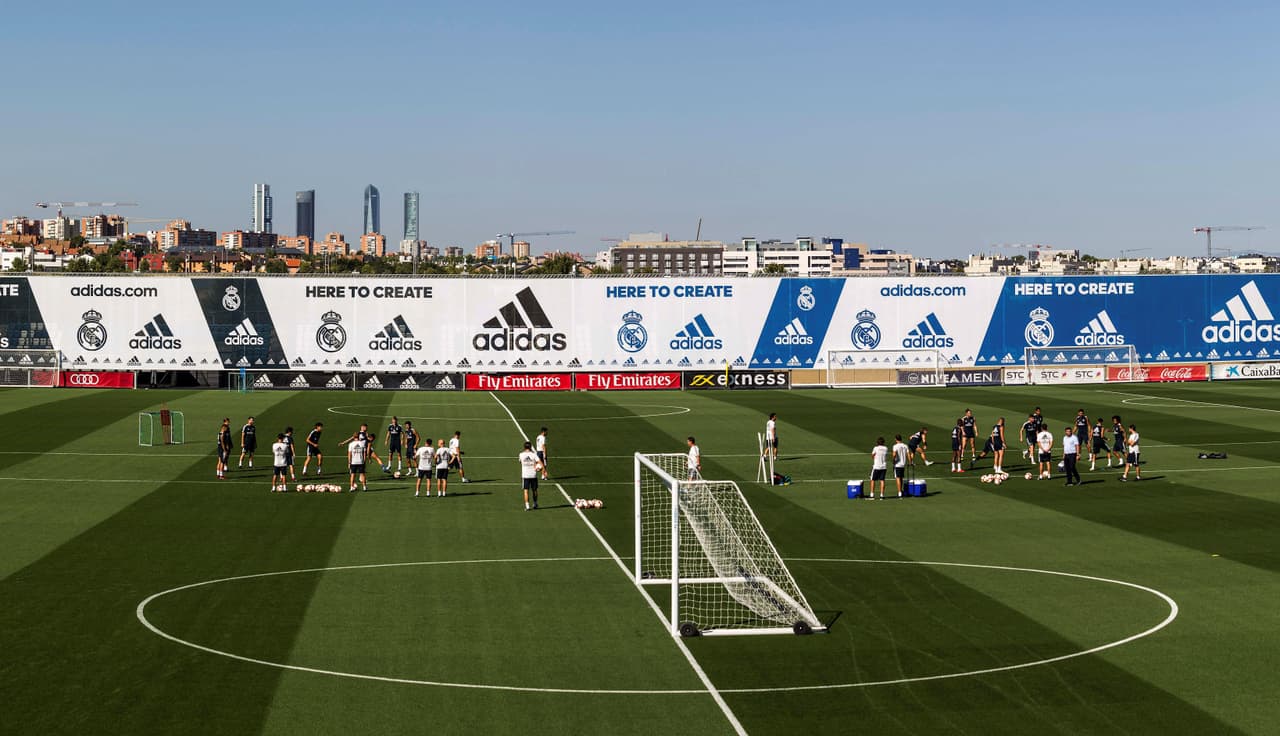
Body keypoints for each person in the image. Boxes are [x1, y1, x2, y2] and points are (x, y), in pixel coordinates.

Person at [519, 440, 541, 510]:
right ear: (531, 447)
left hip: (525, 475)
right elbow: (539, 462)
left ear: (524, 447)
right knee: (534, 490)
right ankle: (535, 503)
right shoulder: (534, 454)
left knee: (526, 491)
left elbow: (520, 462)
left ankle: (527, 506)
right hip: (533, 475)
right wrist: (538, 468)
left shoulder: (521, 454)